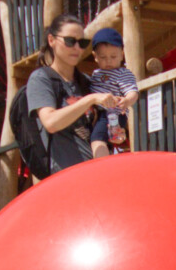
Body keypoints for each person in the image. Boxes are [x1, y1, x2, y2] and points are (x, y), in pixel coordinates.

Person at [25, 15, 119, 176]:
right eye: (70, 41)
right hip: (65, 179)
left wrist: (116, 132)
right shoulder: (41, 79)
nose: (77, 48)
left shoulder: (86, 82)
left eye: (82, 43)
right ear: (51, 40)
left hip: (98, 174)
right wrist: (90, 99)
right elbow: (51, 122)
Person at [86, 28, 139, 158]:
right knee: (107, 138)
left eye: (113, 57)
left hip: (113, 113)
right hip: (100, 113)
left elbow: (133, 91)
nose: (108, 61)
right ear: (95, 57)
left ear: (122, 54)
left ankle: (102, 163)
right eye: (103, 57)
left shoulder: (123, 73)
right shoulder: (96, 73)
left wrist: (127, 101)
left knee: (97, 139)